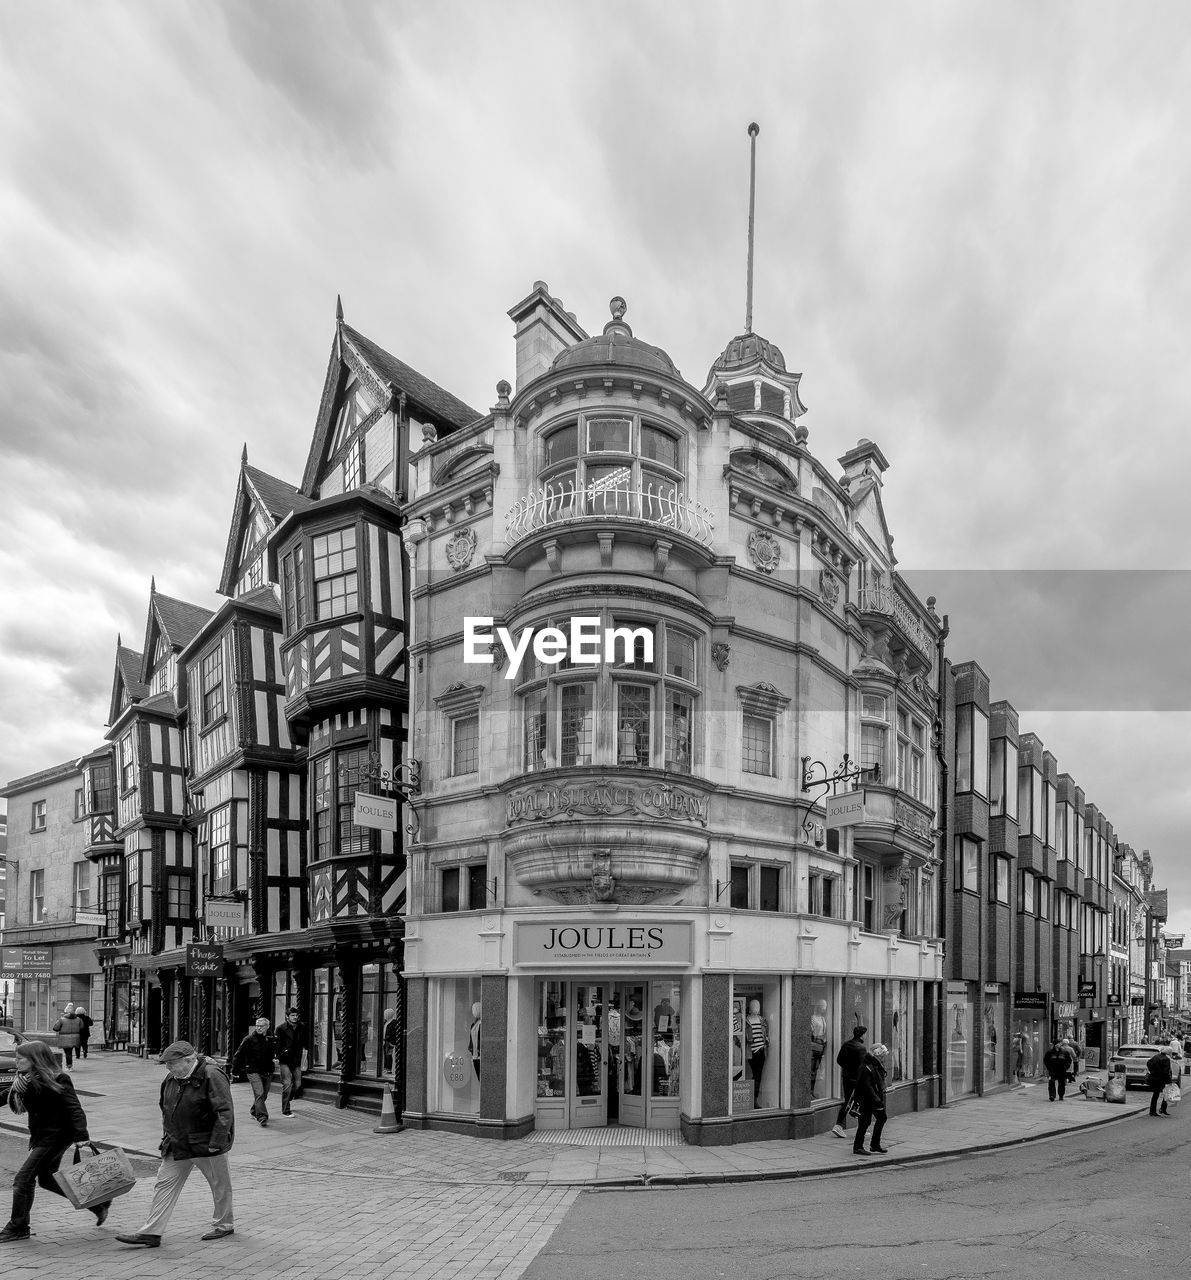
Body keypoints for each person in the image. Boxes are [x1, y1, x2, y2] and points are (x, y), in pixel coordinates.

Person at [115, 1040, 234, 1247]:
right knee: (164, 1184)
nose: (168, 1068)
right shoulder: (172, 1077)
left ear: (189, 1060)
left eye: (172, 1063)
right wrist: (166, 1137)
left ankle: (224, 1224)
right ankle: (151, 1232)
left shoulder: (212, 1075)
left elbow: (224, 1111)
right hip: (177, 1142)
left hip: (206, 1143)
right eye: (167, 1064)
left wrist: (217, 1142)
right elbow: (166, 1108)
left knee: (219, 1184)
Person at [0, 1040, 113, 1243]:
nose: (15, 1061)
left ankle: (17, 1227)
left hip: (56, 1137)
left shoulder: (59, 1078)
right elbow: (3, 1096)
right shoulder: (24, 1081)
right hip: (41, 1136)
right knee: (46, 1179)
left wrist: (82, 1137)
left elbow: (74, 1108)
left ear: (35, 1059)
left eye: (20, 1058)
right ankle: (97, 1205)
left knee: (22, 1180)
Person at [232, 1017, 277, 1127]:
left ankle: (254, 1110)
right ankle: (262, 1116)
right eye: (257, 1025)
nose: (259, 1028)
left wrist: (276, 1058)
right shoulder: (249, 1039)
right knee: (259, 1093)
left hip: (267, 1070)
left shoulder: (270, 1039)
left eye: (261, 1026)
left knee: (264, 1095)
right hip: (253, 1070)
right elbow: (238, 1054)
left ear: (267, 1027)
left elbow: (275, 1052)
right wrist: (235, 1070)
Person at [853, 1042, 890, 1155]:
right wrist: (876, 1099)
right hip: (867, 1100)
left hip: (873, 1098)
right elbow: (867, 1086)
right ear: (877, 1054)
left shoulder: (874, 1065)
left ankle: (874, 1145)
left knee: (880, 1118)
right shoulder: (867, 1067)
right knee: (865, 1122)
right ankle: (858, 1147)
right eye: (882, 1055)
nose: (884, 1057)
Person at [832, 1025, 867, 1138]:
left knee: (848, 1101)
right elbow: (862, 1066)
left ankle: (839, 1125)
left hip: (847, 1077)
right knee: (861, 1102)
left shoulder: (846, 1044)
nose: (866, 1035)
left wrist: (847, 1069)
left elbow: (839, 1060)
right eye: (865, 1033)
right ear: (862, 1035)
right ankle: (858, 1128)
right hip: (857, 1079)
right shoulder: (861, 1048)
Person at [274, 1008, 304, 1117]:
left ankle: (288, 1098)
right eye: (292, 1015)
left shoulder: (302, 1027)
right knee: (287, 1084)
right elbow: (276, 1044)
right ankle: (286, 1110)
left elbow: (305, 1040)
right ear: (287, 1017)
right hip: (285, 1059)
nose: (295, 1017)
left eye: (296, 1015)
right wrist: (278, 1056)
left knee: (298, 1084)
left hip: (297, 1059)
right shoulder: (280, 1028)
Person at [744, 1000, 768, 1106]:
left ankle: (755, 1099)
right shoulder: (746, 1020)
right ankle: (752, 1099)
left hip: (762, 1050)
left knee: (758, 1075)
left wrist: (767, 1040)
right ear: (750, 1007)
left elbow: (766, 1033)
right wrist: (747, 1040)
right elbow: (741, 1035)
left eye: (758, 1005)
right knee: (755, 1075)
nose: (756, 1008)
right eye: (754, 1006)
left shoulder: (762, 1020)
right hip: (752, 1051)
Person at [53, 1003, 83, 1068]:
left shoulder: (61, 1019)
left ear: (65, 1012)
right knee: (70, 1051)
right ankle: (69, 1065)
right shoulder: (78, 1019)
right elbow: (82, 1027)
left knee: (67, 1052)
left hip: (64, 1038)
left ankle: (69, 1065)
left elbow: (55, 1028)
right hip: (75, 1038)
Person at [1147, 1045, 1174, 1118]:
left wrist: (1153, 1071)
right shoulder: (1166, 1059)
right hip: (1161, 1079)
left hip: (1154, 1078)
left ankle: (1152, 1110)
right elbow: (1166, 1072)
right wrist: (1169, 1081)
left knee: (1155, 1095)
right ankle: (1162, 1109)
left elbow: (1148, 1063)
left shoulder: (1156, 1056)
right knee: (1166, 1094)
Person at [809, 999, 828, 1096]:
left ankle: (812, 1091)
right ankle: (809, 1091)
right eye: (822, 1006)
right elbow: (811, 1033)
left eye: (825, 1007)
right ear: (818, 1006)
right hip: (815, 1046)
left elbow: (824, 1032)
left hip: (821, 1046)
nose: (824, 1009)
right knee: (811, 1069)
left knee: (816, 1069)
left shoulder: (823, 1018)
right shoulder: (812, 1018)